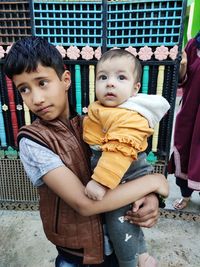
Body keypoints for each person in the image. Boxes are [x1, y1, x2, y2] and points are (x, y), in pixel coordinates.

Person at [4, 36, 169, 267]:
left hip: (117, 243)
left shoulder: (93, 125)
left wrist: (151, 196)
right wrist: (156, 181)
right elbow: (85, 203)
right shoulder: (33, 141)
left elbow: (128, 165)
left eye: (42, 82)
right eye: (24, 89)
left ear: (66, 79)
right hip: (78, 255)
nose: (37, 98)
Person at [83, 49, 170, 267]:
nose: (110, 83)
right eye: (103, 77)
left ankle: (131, 261)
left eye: (121, 77)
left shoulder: (130, 115)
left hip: (124, 175)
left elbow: (119, 151)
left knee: (119, 222)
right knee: (128, 218)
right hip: (118, 174)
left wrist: (101, 182)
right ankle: (141, 255)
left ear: (135, 88)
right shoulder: (105, 108)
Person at [168, 32, 200, 210]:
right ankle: (185, 196)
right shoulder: (194, 45)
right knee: (185, 152)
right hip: (190, 114)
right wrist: (183, 65)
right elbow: (182, 80)